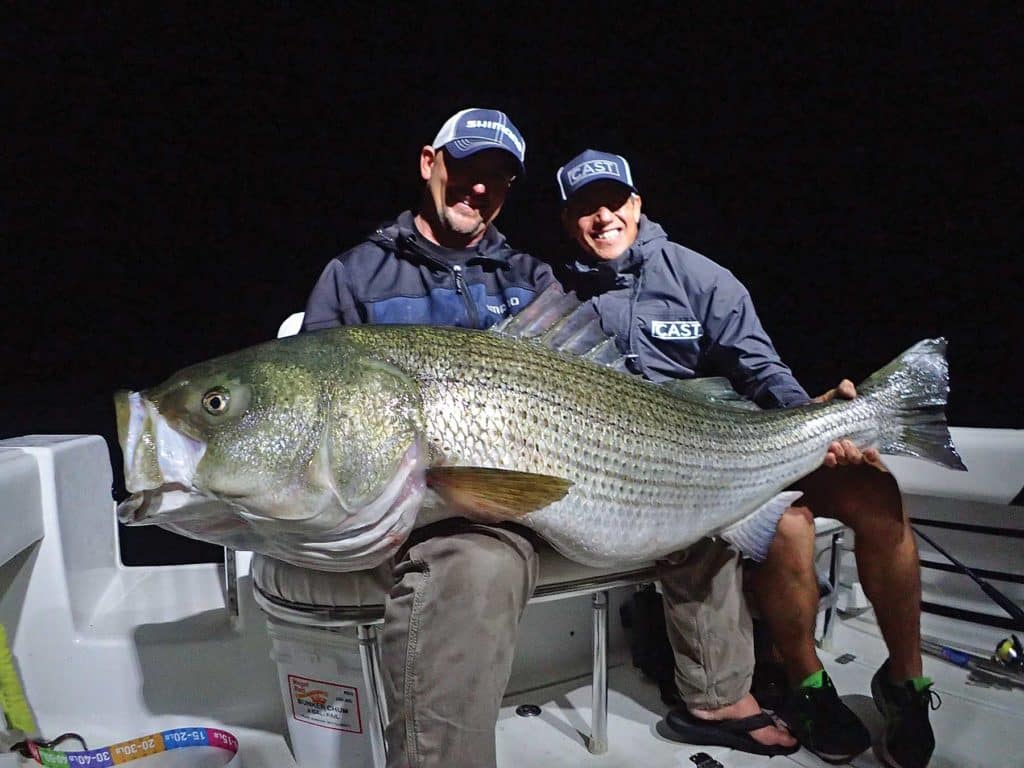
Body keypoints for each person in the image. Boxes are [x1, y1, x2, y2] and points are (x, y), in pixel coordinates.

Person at [555, 149, 939, 768]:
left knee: (877, 491)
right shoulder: (559, 293)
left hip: (741, 441)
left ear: (637, 204)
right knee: (789, 526)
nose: (601, 218)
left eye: (613, 201)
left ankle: (904, 680)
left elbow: (761, 368)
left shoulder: (699, 276)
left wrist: (814, 423)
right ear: (568, 221)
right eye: (583, 208)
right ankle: (808, 685)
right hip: (662, 470)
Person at [302, 108, 557, 768]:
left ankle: (720, 696)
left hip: (544, 496)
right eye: (467, 169)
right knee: (475, 564)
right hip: (419, 510)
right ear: (429, 163)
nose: (480, 188)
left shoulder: (532, 281)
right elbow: (318, 413)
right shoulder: (357, 275)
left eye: (497, 178)